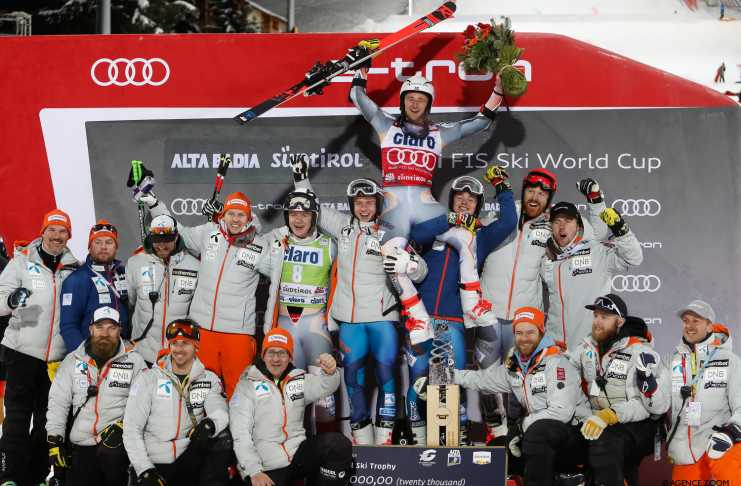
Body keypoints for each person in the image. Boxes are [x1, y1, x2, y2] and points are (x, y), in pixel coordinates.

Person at [349, 60, 505, 343]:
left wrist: (498, 91)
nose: (415, 104)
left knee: (465, 236)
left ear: (429, 104)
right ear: (402, 101)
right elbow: (357, 96)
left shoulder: (438, 133)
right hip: (395, 211)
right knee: (392, 260)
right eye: (410, 98)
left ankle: (472, 304)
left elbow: (481, 122)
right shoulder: (386, 125)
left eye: (421, 99)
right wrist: (362, 68)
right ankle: (419, 318)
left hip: (425, 210)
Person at [290, 160, 428, 444]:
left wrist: (410, 264)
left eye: (369, 202)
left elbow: (422, 270)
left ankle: (385, 441)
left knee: (387, 375)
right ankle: (362, 440)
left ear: (378, 204)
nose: (363, 208)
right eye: (358, 202)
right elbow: (316, 207)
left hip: (382, 319)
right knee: (353, 378)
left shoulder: (392, 230)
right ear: (351, 204)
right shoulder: (343, 227)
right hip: (350, 321)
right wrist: (301, 180)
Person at [404, 168, 517, 445]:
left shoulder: (481, 236)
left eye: (471, 199)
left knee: (446, 381)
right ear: (451, 201)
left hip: (451, 321)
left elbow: (508, 222)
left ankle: (453, 440)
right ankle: (418, 441)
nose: (465, 202)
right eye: (459, 197)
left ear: (478, 205)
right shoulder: (436, 227)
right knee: (418, 378)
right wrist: (450, 219)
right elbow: (415, 233)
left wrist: (501, 186)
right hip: (419, 316)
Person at [415, 306, 586, 485]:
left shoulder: (556, 363)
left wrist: (521, 427)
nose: (524, 338)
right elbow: (482, 380)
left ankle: (565, 473)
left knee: (538, 433)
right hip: (539, 436)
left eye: (530, 332)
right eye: (519, 333)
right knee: (496, 450)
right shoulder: (517, 366)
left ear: (541, 333)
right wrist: (441, 375)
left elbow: (561, 412)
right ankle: (550, 476)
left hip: (575, 435)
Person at [137, 186, 265, 398]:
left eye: (241, 215)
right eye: (231, 213)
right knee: (201, 389)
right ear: (223, 215)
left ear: (249, 218)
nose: (235, 219)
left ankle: (238, 422)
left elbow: (279, 271)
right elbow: (179, 231)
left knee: (239, 391)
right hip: (203, 328)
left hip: (237, 333)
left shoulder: (260, 244)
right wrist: (155, 205)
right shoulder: (209, 232)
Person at [0, 209, 79, 486]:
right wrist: (11, 300)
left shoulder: (74, 268)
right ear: (42, 232)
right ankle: (9, 477)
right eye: (52, 230)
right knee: (17, 419)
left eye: (62, 231)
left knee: (47, 422)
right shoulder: (21, 261)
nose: (57, 236)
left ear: (69, 235)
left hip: (56, 359)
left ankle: (36, 477)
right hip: (21, 352)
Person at [568, 294, 669, 486]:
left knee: (605, 444)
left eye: (604, 317)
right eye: (596, 316)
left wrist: (610, 415)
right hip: (599, 422)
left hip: (639, 423)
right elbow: (566, 372)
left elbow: (647, 407)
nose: (597, 322)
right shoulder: (586, 348)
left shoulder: (640, 351)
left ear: (620, 322)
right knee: (561, 437)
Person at [230, 328, 352, 486]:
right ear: (263, 355)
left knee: (337, 445)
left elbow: (324, 386)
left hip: (296, 453)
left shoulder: (297, 378)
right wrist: (254, 471)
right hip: (265, 465)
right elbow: (240, 433)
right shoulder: (247, 385)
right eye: (271, 353)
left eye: (282, 353)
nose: (276, 359)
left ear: (290, 356)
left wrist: (329, 373)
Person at [256, 188, 337, 429]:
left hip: (316, 327)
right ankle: (294, 448)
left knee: (324, 398)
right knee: (290, 397)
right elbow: (245, 239)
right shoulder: (276, 241)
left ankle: (327, 447)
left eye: (304, 214)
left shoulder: (329, 244)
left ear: (314, 217)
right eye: (293, 214)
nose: (298, 220)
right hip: (285, 327)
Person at [46, 306, 147, 486]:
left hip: (117, 445)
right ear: (91, 329)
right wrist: (55, 440)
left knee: (112, 456)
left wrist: (123, 426)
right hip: (81, 443)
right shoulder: (72, 360)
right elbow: (58, 403)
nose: (105, 333)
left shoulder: (135, 361)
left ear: (120, 330)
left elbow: (145, 403)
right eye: (100, 327)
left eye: (111, 328)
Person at [123, 318, 230, 486]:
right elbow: (131, 428)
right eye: (174, 343)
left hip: (189, 457)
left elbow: (220, 410)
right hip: (155, 460)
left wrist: (209, 424)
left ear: (196, 346)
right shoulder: (148, 379)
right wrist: (144, 470)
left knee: (223, 437)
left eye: (185, 343)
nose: (179, 349)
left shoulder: (208, 379)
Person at [542, 201, 643, 349]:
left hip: (590, 347)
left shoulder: (596, 251)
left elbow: (634, 259)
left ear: (578, 225)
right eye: (557, 221)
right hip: (555, 347)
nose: (562, 227)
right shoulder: (545, 257)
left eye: (568, 221)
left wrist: (622, 231)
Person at [664, 300, 741, 482]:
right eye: (686, 321)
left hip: (722, 444)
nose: (689, 326)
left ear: (709, 326)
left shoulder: (729, 361)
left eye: (696, 321)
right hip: (686, 450)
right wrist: (647, 381)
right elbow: (658, 404)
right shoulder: (672, 360)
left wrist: (729, 433)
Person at [126, 214, 199, 366]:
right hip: (142, 353)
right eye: (157, 240)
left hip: (179, 354)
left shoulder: (194, 266)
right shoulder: (135, 263)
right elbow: (128, 303)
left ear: (176, 237)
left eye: (167, 240)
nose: (161, 246)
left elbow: (198, 311)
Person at [60, 219, 130, 353]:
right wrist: (84, 356)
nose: (103, 247)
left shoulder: (125, 273)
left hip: (122, 353)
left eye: (109, 242)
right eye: (98, 242)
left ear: (116, 247)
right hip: (93, 354)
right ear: (90, 247)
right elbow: (68, 326)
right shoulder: (77, 279)